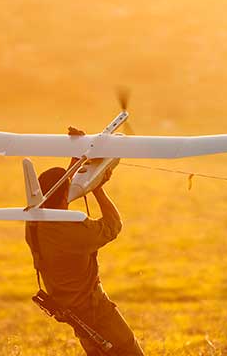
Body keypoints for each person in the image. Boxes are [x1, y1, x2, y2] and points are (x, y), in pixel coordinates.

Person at [25, 127, 144, 356]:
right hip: (94, 310)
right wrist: (97, 187)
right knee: (129, 350)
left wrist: (75, 163)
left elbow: (55, 198)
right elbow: (113, 225)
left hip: (71, 311)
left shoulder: (33, 224)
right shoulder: (72, 232)